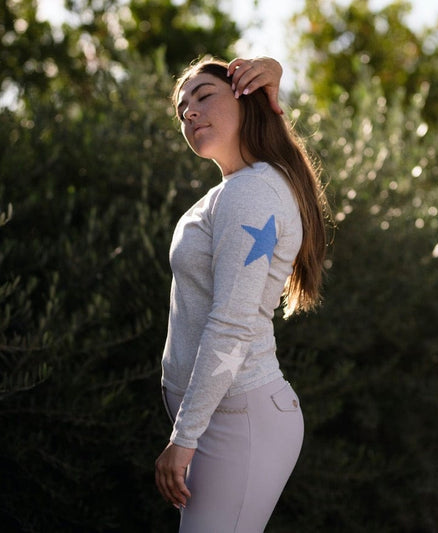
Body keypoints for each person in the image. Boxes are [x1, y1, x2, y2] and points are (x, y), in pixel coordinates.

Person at [155, 56, 329, 532]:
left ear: (245, 98)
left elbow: (232, 322)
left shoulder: (250, 191)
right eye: (182, 109)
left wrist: (184, 437)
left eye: (204, 96)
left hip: (238, 422)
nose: (189, 112)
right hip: (224, 416)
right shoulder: (238, 189)